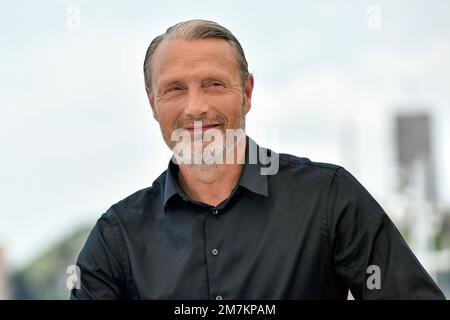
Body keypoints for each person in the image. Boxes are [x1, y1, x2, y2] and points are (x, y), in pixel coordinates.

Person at [70, 19, 445, 300]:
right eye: (174, 89)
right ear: (153, 104)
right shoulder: (116, 237)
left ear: (247, 93)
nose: (196, 107)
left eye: (214, 84)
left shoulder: (328, 198)